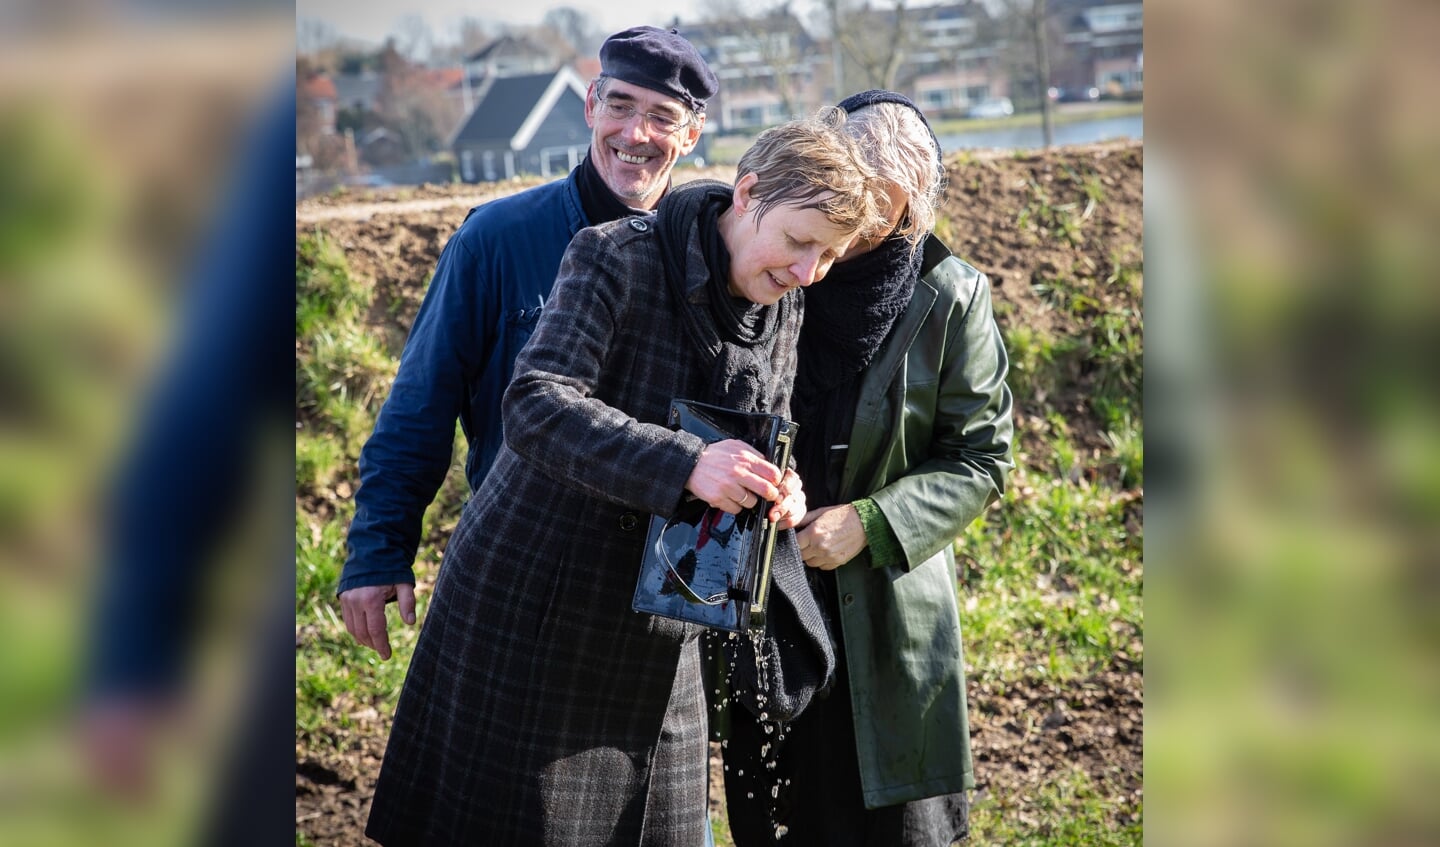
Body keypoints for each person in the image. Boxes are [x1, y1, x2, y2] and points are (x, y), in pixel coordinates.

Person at [361, 111, 885, 845]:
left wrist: (781, 484)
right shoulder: (613, 256)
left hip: (665, 617)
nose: (807, 273)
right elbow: (537, 403)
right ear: (748, 192)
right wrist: (686, 463)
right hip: (536, 606)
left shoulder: (786, 301)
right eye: (799, 242)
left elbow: (764, 428)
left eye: (828, 257)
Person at [338, 26, 719, 659]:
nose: (635, 134)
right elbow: (421, 404)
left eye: (662, 117)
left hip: (655, 587)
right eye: (621, 105)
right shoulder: (496, 238)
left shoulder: (709, 256)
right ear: (591, 104)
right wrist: (378, 550)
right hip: (519, 563)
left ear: (691, 134)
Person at [720, 91, 1015, 846]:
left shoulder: (951, 297)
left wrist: (869, 523)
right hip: (770, 596)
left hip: (885, 616)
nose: (847, 234)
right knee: (779, 814)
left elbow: (980, 458)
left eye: (878, 210)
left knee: (896, 824)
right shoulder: (779, 263)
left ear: (912, 210)